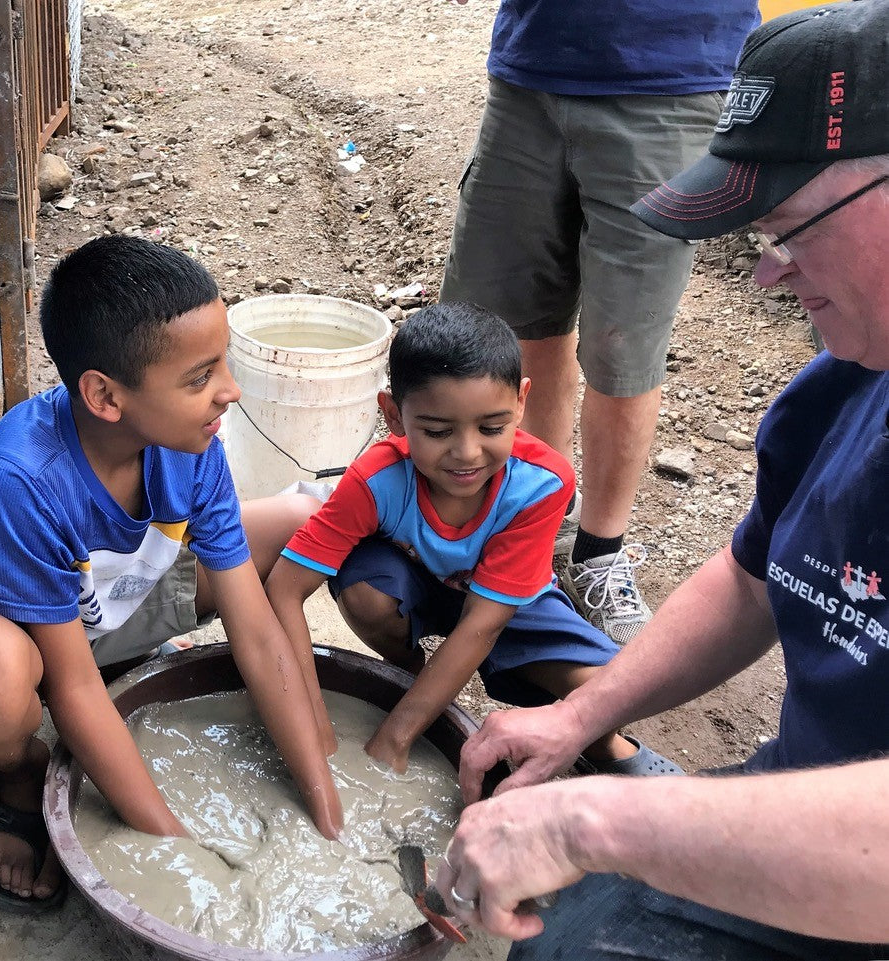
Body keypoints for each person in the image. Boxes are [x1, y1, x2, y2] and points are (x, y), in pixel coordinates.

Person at [433, 3, 889, 958]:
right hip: (813, 803)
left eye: (791, 228)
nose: (767, 277)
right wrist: (580, 716)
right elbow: (756, 575)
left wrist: (585, 822)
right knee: (553, 932)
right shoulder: (844, 382)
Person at [0, 236, 342, 913]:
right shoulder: (21, 477)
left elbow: (257, 633)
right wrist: (175, 847)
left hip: (118, 602)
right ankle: (20, 774)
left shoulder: (190, 436)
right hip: (32, 641)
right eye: (201, 377)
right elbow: (73, 687)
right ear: (105, 396)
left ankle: (148, 662)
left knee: (309, 523)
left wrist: (323, 797)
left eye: (224, 364)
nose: (229, 392)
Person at [441, 0, 760, 645]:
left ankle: (599, 554)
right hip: (529, 73)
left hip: (669, 81)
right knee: (513, 330)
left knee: (624, 349)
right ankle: (536, 513)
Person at [265, 303, 683, 777]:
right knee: (366, 593)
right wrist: (310, 716)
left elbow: (482, 625)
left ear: (522, 402)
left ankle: (605, 746)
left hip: (506, 605)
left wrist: (395, 739)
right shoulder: (373, 480)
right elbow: (285, 586)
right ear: (394, 415)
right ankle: (406, 673)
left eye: (492, 428)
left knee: (611, 691)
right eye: (437, 431)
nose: (467, 453)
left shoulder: (542, 484)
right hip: (411, 584)